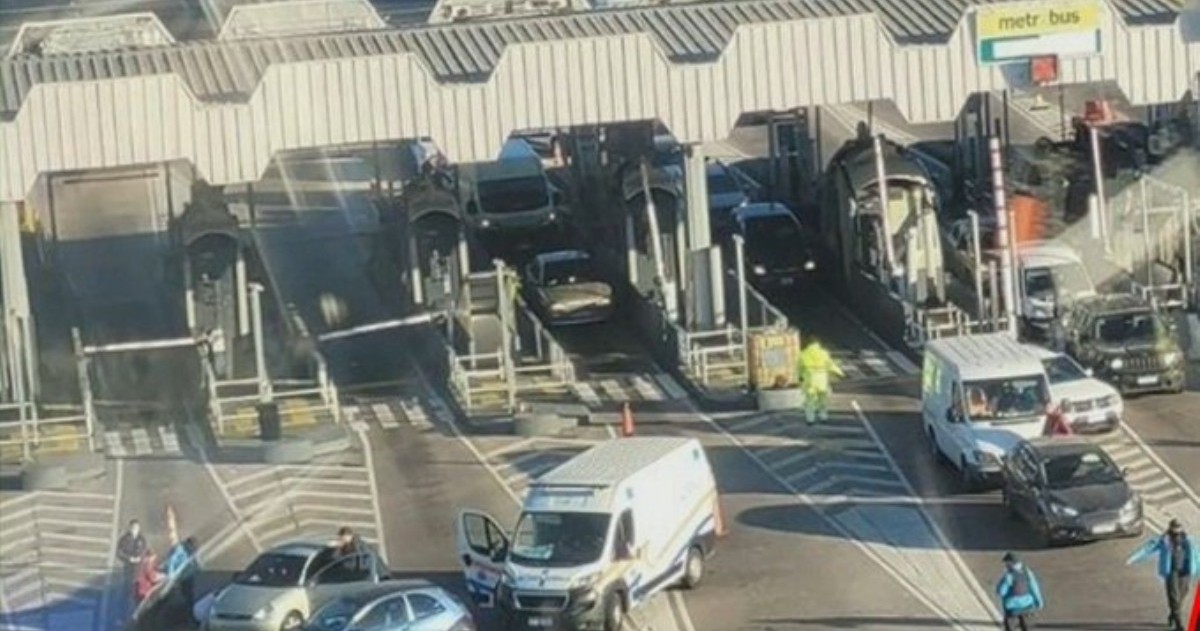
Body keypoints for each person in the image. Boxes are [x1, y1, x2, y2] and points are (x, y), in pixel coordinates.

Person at [1127, 519, 1200, 631]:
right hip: (1171, 572)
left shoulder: (1188, 540)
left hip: (1185, 571)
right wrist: (1133, 558)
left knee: (1182, 595)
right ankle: (1178, 623)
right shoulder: (1164, 540)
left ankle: (1173, 614)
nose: (1177, 529)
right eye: (1175, 527)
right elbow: (1148, 548)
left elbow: (1197, 555)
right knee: (1174, 597)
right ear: (1170, 528)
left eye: (1179, 527)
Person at [797, 340, 844, 425]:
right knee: (823, 400)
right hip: (822, 380)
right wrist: (840, 373)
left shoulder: (803, 354)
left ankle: (810, 419)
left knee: (810, 401)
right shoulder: (824, 353)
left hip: (810, 380)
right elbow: (830, 365)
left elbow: (799, 368)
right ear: (818, 344)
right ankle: (823, 417)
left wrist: (800, 377)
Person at [995, 552, 1044, 631]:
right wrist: (1039, 602)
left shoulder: (1009, 576)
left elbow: (1001, 592)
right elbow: (1034, 587)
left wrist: (1001, 583)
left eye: (1006, 563)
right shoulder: (1027, 572)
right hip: (1027, 605)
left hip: (1012, 608)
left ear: (1010, 563)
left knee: (1010, 628)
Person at [116, 520, 147, 612]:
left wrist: (140, 558)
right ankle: (123, 609)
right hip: (128, 568)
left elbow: (144, 551)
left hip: (138, 569)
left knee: (137, 589)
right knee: (127, 589)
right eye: (133, 528)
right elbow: (119, 553)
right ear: (129, 528)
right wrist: (129, 558)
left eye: (136, 528)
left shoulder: (141, 539)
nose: (135, 530)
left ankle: (136, 609)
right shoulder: (124, 539)